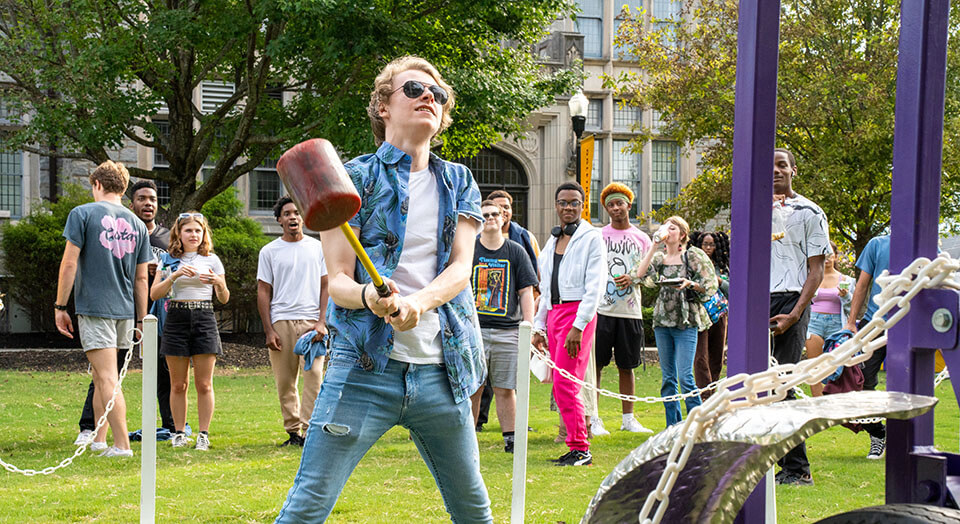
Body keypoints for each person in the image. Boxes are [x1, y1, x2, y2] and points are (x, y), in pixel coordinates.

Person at [274, 56, 492, 523]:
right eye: (413, 88)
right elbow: (338, 280)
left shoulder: (459, 181)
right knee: (308, 505)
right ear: (382, 106)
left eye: (439, 93)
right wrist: (371, 298)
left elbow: (460, 270)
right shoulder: (352, 178)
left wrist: (415, 302)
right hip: (364, 370)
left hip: (442, 372)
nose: (429, 96)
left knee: (474, 510)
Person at [55, 160, 151, 458]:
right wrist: (140, 318)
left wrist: (60, 305)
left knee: (107, 377)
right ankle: (99, 439)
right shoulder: (137, 224)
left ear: (96, 184)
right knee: (102, 376)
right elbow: (141, 277)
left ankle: (122, 445)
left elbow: (70, 263)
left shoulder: (82, 214)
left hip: (96, 307)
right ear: (123, 190)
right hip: (125, 311)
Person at [74, 180, 176, 446]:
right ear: (131, 203)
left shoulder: (166, 237)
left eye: (153, 199)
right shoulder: (126, 226)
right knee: (107, 371)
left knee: (161, 370)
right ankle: (91, 429)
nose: (148, 203)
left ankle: (170, 425)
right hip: (122, 307)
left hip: (155, 312)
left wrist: (161, 274)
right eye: (142, 198)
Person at [531, 181, 606, 467]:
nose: (568, 207)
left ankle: (581, 448)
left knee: (567, 382)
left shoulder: (592, 238)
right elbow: (545, 289)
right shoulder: (552, 241)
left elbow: (595, 286)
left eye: (574, 202)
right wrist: (539, 327)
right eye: (563, 202)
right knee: (560, 384)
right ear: (556, 205)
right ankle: (575, 446)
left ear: (583, 205)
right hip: (554, 314)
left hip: (578, 316)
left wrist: (580, 324)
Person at [768, 148, 830, 486]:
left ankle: (797, 468)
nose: (775, 171)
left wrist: (793, 314)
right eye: (770, 167)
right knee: (752, 385)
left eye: (781, 165)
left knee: (783, 385)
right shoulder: (754, 209)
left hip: (792, 301)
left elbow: (816, 270)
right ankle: (762, 460)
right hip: (757, 300)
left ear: (793, 169)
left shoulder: (810, 212)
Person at [150, 212, 229, 451]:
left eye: (198, 230)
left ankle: (203, 434)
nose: (193, 235)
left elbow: (224, 299)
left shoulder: (212, 260)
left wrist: (218, 282)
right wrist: (174, 276)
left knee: (204, 384)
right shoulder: (168, 259)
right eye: (188, 231)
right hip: (176, 318)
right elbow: (155, 294)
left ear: (204, 234)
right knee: (178, 384)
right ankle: (179, 432)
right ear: (179, 234)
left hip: (204, 317)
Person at [257, 196, 329, 447]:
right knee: (285, 381)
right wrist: (268, 330)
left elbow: (326, 286)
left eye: (297, 213)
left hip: (312, 324)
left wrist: (322, 321)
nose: (293, 217)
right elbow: (263, 291)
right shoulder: (269, 252)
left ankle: (311, 432)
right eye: (287, 213)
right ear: (279, 220)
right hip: (282, 322)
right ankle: (293, 432)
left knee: (314, 377)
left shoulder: (317, 247)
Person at [468, 200, 538, 453]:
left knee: (506, 388)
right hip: (474, 330)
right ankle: (468, 440)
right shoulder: (469, 249)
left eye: (495, 214)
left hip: (508, 330)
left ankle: (512, 439)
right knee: (473, 389)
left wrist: (527, 325)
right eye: (484, 214)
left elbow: (526, 291)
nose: (490, 218)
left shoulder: (515, 251)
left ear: (503, 218)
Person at [635, 216, 716, 427]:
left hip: (686, 321)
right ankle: (672, 426)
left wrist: (690, 284)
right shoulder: (659, 258)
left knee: (685, 377)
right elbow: (640, 274)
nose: (667, 231)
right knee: (667, 379)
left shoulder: (692, 255)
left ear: (682, 234)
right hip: (663, 323)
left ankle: (696, 425)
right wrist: (653, 246)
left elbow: (709, 284)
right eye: (665, 227)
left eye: (672, 228)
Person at [591, 182, 654, 435]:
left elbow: (651, 276)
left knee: (627, 365)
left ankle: (628, 418)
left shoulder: (642, 238)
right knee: (595, 365)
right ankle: (594, 417)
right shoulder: (598, 236)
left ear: (629, 204)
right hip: (601, 309)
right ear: (606, 208)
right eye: (610, 204)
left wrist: (634, 278)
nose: (616, 208)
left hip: (630, 311)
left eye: (620, 203)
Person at [843, 234, 891, 459]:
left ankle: (906, 441)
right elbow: (863, 284)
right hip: (874, 323)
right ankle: (878, 434)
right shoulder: (877, 244)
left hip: (908, 325)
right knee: (862, 383)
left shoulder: (925, 244)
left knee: (905, 386)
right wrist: (852, 321)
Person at [804, 241, 854, 396]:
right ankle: (817, 405)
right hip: (814, 323)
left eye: (830, 254)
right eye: (823, 254)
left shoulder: (847, 280)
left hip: (836, 324)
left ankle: (833, 403)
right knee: (815, 367)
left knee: (835, 368)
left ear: (836, 257)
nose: (827, 258)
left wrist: (846, 297)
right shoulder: (810, 278)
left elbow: (852, 306)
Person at [690, 231, 730, 401]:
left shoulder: (722, 266)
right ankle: (704, 395)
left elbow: (732, 290)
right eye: (705, 244)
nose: (708, 248)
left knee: (716, 354)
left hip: (719, 313)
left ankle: (712, 391)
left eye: (711, 244)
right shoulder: (693, 263)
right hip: (699, 313)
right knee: (700, 356)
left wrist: (719, 281)